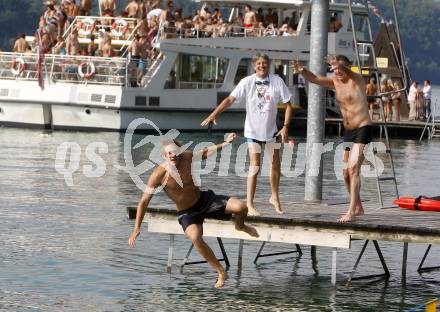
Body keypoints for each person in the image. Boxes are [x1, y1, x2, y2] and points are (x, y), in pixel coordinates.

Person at [128, 133, 259, 289]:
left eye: (175, 152)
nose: (173, 155)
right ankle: (221, 272)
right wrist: (137, 228)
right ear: (164, 155)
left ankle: (241, 226)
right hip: (187, 212)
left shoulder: (187, 157)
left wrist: (225, 143)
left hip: (205, 200)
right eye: (169, 153)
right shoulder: (158, 175)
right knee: (196, 238)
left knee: (241, 207)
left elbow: (204, 152)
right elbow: (143, 202)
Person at [201, 53, 293, 216]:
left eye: (264, 63)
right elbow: (230, 99)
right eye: (258, 63)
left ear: (268, 64)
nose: (261, 66)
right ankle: (250, 205)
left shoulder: (277, 81)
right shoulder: (247, 82)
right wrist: (214, 114)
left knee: (276, 164)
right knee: (255, 166)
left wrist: (285, 127)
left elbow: (288, 105)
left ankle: (274, 197)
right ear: (253, 65)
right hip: (252, 130)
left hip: (271, 130)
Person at [292, 55, 372, 222]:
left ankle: (350, 212)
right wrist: (302, 70)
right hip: (348, 131)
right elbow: (313, 78)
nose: (337, 72)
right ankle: (358, 206)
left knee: (353, 169)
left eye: (340, 68)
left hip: (363, 128)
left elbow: (347, 70)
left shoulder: (357, 80)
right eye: (334, 69)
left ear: (348, 67)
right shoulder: (335, 82)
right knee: (344, 173)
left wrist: (339, 64)